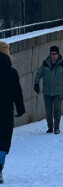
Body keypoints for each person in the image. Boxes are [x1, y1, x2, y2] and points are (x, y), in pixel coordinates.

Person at [0, 41, 25, 184]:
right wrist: (20, 109)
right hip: (6, 112)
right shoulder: (12, 72)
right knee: (3, 141)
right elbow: (17, 92)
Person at [34, 45, 63, 134]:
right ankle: (50, 127)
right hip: (47, 92)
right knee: (48, 111)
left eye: (55, 54)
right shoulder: (45, 63)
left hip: (58, 92)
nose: (53, 56)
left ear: (58, 54)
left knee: (57, 110)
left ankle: (56, 128)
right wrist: (36, 84)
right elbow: (38, 74)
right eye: (52, 54)